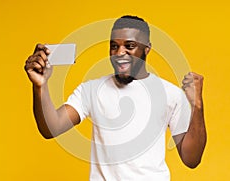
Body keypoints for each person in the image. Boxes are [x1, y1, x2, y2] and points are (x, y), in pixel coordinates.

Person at [24, 15, 207, 180]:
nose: (120, 53)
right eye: (114, 46)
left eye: (129, 46)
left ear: (147, 49)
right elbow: (51, 128)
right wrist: (40, 86)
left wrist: (197, 105)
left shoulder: (170, 93)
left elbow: (192, 159)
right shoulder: (91, 90)